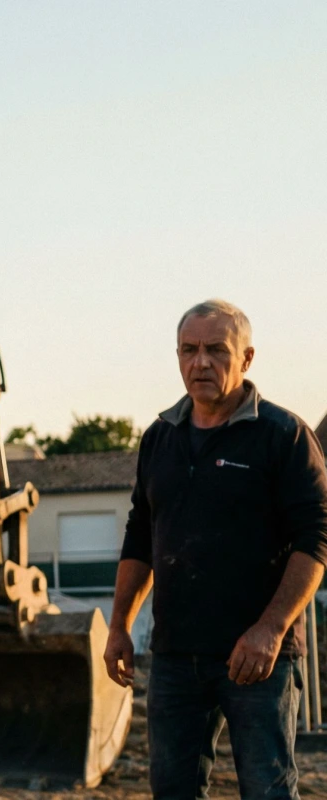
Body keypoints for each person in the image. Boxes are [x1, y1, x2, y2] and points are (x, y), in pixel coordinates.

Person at [104, 299, 327, 800]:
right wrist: (119, 625)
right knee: (173, 791)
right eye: (188, 350)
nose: (199, 362)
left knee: (267, 791)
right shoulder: (160, 437)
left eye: (215, 350)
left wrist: (270, 630)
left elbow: (317, 539)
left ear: (246, 359)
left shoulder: (283, 436)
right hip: (176, 656)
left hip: (258, 659)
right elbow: (141, 533)